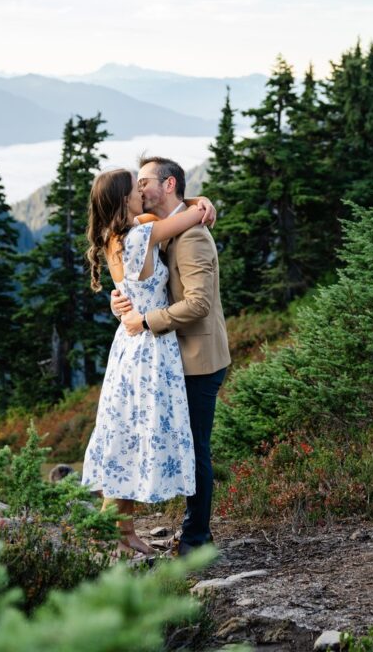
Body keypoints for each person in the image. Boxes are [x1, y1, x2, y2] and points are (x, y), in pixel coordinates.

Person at [82, 167, 215, 556]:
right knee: (136, 436)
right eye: (136, 189)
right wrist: (202, 203)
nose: (143, 192)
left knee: (124, 433)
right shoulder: (142, 235)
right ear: (126, 199)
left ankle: (120, 533)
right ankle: (116, 534)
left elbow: (150, 220)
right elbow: (190, 217)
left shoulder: (113, 236)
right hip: (150, 349)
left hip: (127, 343)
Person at [112, 156, 231, 557]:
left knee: (196, 448)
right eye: (136, 183)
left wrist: (145, 321)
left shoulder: (193, 235)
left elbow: (198, 304)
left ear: (168, 185)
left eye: (144, 181)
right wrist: (124, 304)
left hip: (198, 357)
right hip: (170, 357)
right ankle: (184, 532)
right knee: (182, 445)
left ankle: (197, 540)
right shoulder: (156, 229)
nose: (139, 189)